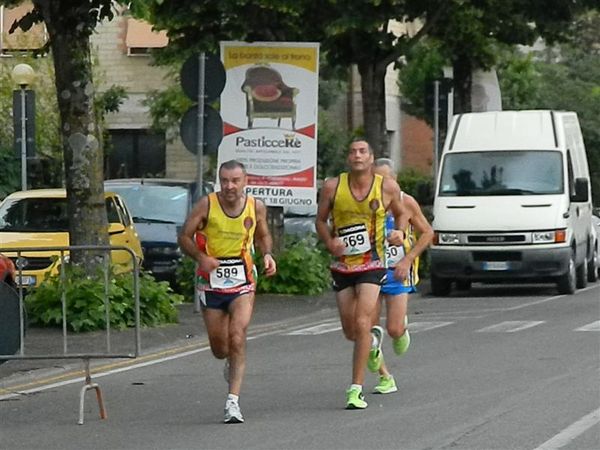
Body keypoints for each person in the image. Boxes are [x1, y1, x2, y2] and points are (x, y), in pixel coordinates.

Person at [178, 160, 277, 424]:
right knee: (220, 348)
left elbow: (263, 234)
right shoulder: (207, 205)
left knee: (237, 336)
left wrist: (267, 255)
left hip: (243, 281)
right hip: (212, 283)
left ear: (245, 181)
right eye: (224, 180)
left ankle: (232, 402)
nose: (229, 186)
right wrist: (201, 258)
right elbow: (184, 236)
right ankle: (229, 361)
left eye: (235, 180)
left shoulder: (255, 206)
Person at [316, 139, 408, 410]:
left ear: (371, 158)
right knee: (351, 331)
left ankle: (355, 390)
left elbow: (402, 215)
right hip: (343, 266)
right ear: (348, 158)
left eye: (362, 151)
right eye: (353, 151)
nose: (357, 155)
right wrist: (329, 241)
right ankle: (374, 348)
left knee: (362, 320)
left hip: (373, 264)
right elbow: (321, 220)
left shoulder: (387, 187)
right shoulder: (333, 187)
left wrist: (399, 233)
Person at [368, 158, 434, 394]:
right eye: (376, 180)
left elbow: (427, 233)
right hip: (370, 271)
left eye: (386, 180)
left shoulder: (406, 202)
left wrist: (407, 259)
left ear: (395, 180)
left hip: (397, 271)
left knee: (393, 329)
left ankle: (401, 329)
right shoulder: (366, 202)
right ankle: (385, 377)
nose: (382, 185)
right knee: (368, 328)